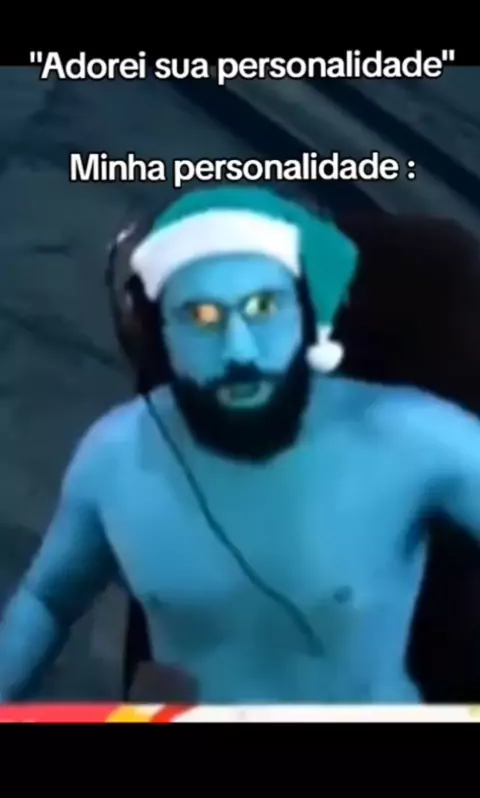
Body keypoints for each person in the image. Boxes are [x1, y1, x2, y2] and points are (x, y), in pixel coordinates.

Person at [1, 185, 480, 704]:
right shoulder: (117, 455)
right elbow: (47, 599)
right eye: (203, 319)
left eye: (261, 309)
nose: (238, 351)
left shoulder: (412, 439)